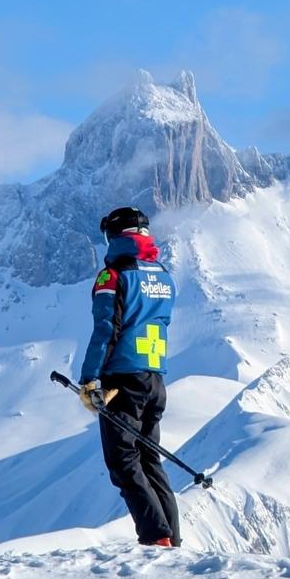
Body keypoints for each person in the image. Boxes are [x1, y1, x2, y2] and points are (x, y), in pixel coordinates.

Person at [78, 206, 179, 547]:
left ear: (113, 236)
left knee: (123, 461)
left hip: (122, 380)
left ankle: (155, 539)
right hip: (155, 379)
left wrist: (90, 379)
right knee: (150, 459)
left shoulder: (113, 277)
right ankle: (171, 541)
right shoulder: (164, 276)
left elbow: (106, 328)